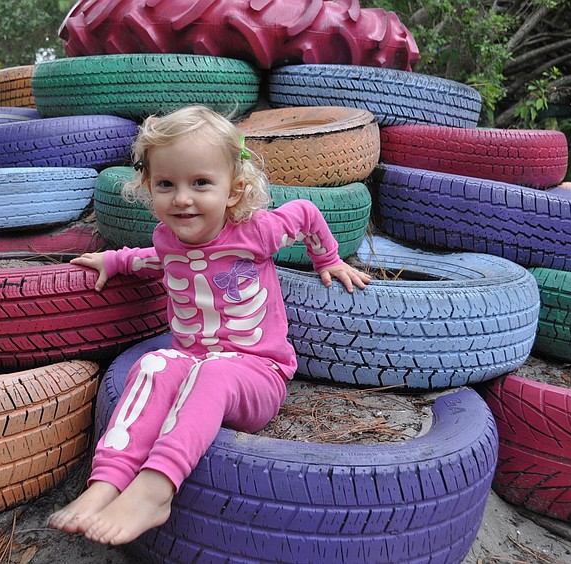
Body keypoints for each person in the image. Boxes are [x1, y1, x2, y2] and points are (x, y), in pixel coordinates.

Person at [47, 105, 371, 545]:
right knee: (154, 364)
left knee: (212, 371)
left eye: (200, 183)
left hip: (256, 374)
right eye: (166, 184)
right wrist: (113, 259)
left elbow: (308, 216)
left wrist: (328, 259)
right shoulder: (168, 237)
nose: (182, 198)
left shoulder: (257, 231)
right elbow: (155, 260)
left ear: (233, 191)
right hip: (191, 361)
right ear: (148, 187)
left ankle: (156, 490)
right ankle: (105, 484)